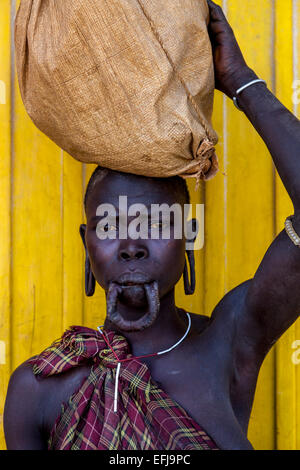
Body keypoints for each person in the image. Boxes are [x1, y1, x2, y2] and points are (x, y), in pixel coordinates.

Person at [3, 0, 300, 450]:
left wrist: (242, 82)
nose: (132, 245)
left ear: (189, 238)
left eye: (158, 223)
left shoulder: (229, 343)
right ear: (88, 247)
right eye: (111, 224)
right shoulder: (38, 388)